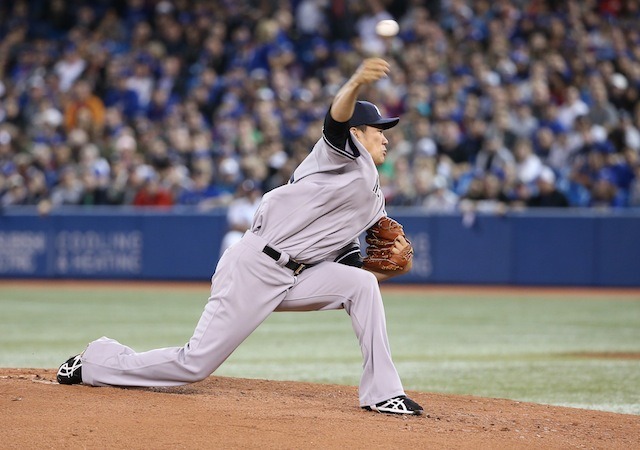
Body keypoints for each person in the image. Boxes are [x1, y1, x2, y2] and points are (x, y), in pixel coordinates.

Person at [56, 58, 423, 416]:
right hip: (255, 267)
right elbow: (335, 119)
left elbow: (349, 263)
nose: (385, 138)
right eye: (378, 130)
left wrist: (384, 272)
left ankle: (382, 393)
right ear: (358, 135)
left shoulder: (372, 197)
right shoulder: (340, 156)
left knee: (362, 286)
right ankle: (96, 362)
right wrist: (357, 81)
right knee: (194, 365)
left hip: (298, 275)